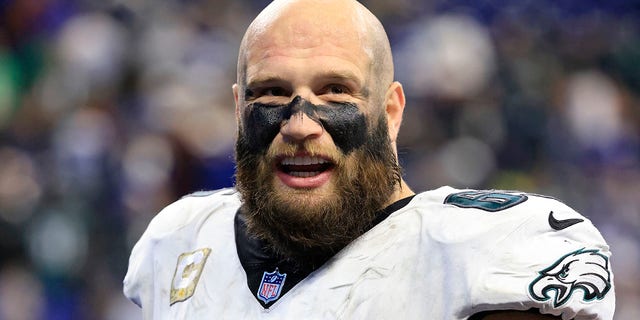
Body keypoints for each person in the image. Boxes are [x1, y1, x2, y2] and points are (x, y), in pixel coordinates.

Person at [123, 0, 615, 319]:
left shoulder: (489, 249)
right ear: (238, 111)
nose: (299, 124)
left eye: (335, 92)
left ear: (390, 112)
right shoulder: (181, 240)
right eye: (271, 94)